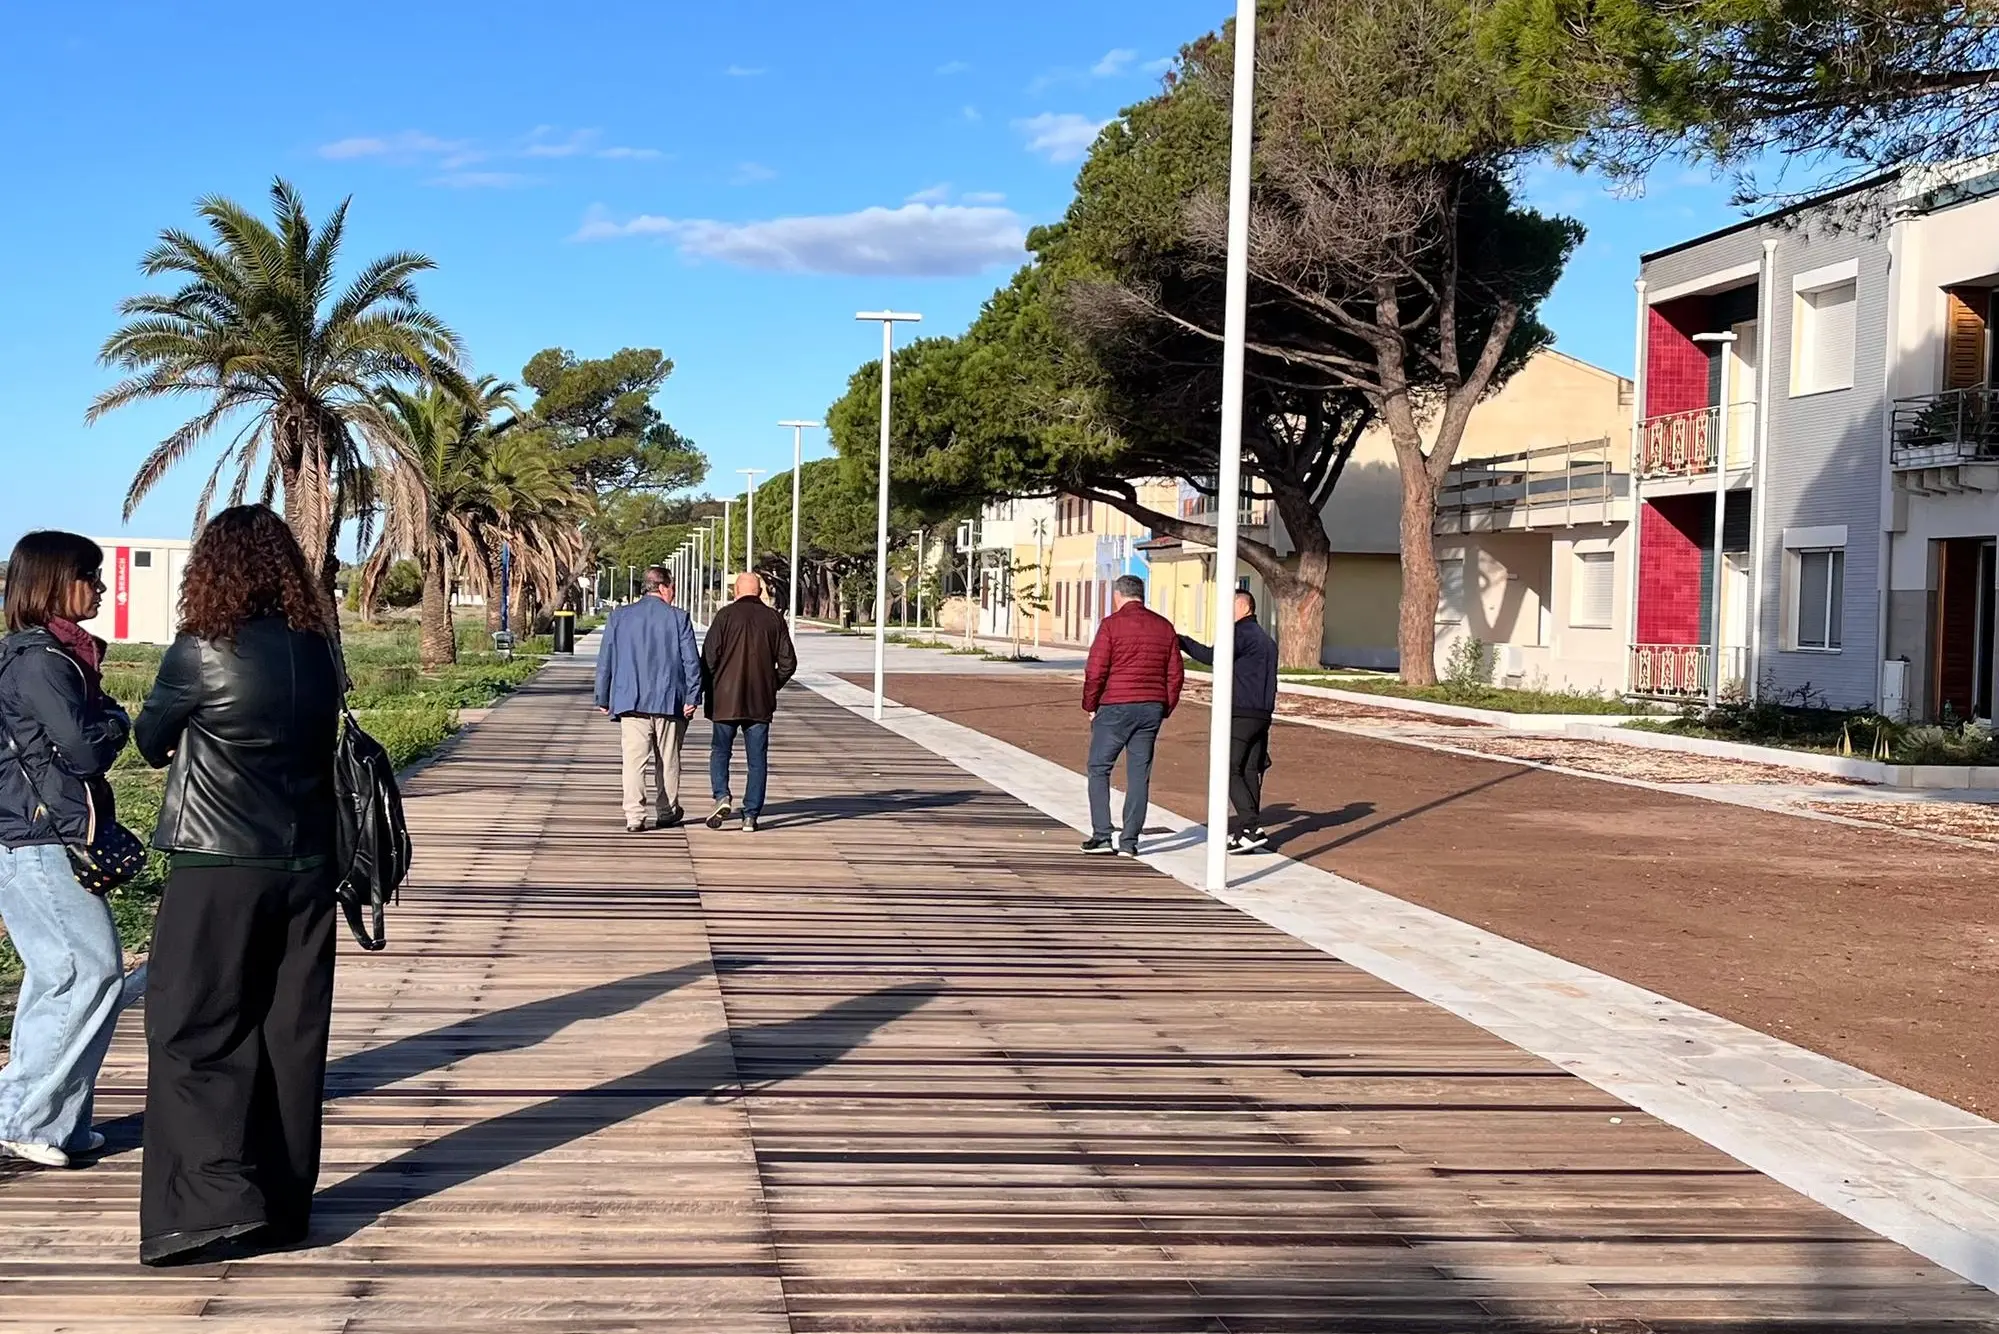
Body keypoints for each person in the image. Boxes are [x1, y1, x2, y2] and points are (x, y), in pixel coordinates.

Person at [133, 505, 344, 1267]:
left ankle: (209, 1208)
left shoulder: (202, 649)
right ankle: (284, 1209)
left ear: (211, 569)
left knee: (193, 1030)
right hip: (308, 862)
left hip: (218, 863)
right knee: (290, 1034)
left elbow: (152, 741)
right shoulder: (319, 649)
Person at [0, 532, 142, 1170]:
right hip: (40, 838)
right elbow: (85, 748)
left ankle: (54, 1118)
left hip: (30, 835)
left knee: (60, 973)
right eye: (91, 576)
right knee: (91, 969)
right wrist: (119, 721)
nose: (102, 588)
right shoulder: (43, 661)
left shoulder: (39, 656)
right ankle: (28, 1118)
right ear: (56, 582)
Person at [1080, 574, 1183, 857]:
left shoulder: (1111, 625)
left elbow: (1096, 669)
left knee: (1099, 768)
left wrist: (1090, 704)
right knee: (1139, 774)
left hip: (1114, 706)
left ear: (1118, 596)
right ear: (1142, 595)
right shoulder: (1164, 627)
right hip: (1150, 708)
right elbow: (1175, 674)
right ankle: (1129, 842)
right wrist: (1165, 707)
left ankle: (1102, 835)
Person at [594, 565, 701, 832]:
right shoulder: (678, 618)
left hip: (630, 700)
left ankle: (634, 815)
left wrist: (602, 695)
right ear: (664, 587)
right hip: (669, 700)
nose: (673, 593)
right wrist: (693, 695)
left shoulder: (619, 616)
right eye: (673, 588)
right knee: (668, 759)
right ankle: (666, 810)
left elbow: (606, 658)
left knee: (633, 760)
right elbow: (691, 662)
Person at [1179, 589, 1280, 852]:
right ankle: (1247, 831)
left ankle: (1250, 825)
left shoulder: (1240, 634)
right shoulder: (1267, 640)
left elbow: (1213, 657)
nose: (1225, 613)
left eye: (1230, 606)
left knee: (1228, 767)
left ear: (1245, 607)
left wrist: (1182, 641)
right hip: (1262, 713)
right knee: (1248, 770)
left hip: (1241, 712)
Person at [701, 573, 796, 833]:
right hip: (759, 702)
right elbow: (789, 663)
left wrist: (707, 690)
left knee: (721, 752)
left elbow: (708, 659)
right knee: (757, 760)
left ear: (735, 591)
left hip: (725, 701)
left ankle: (722, 796)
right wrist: (771, 684)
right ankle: (751, 815)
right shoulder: (774, 619)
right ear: (760, 591)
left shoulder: (724, 617)